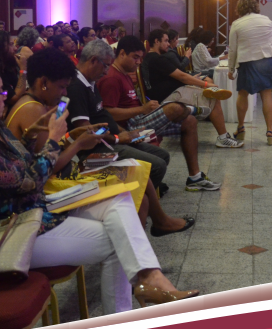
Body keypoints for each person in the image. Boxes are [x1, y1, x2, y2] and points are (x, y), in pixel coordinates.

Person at [0, 62, 198, 314]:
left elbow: (21, 162)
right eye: (0, 92)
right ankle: (122, 316)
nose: (6, 97)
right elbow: (28, 181)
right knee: (120, 241)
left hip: (31, 212)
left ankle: (150, 278)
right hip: (9, 233)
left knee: (119, 197)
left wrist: (32, 134)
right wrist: (52, 140)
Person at [64, 41, 200, 230]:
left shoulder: (90, 82)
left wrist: (124, 132)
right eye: (105, 65)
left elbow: (103, 117)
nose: (107, 71)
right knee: (156, 165)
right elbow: (86, 133)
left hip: (111, 140)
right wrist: (118, 138)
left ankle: (139, 208)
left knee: (162, 155)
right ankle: (141, 213)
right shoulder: (76, 87)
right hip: (93, 155)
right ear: (94, 60)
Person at [101, 36, 221, 193]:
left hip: (139, 119)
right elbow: (108, 114)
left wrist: (145, 109)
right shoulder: (112, 79)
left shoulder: (124, 74)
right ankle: (194, 109)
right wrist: (142, 109)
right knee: (174, 109)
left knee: (189, 122)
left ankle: (195, 178)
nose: (138, 62)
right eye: (135, 57)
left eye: (140, 58)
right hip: (130, 128)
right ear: (122, 53)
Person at [142, 29, 242, 149]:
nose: (168, 44)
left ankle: (218, 130)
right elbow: (182, 77)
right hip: (168, 97)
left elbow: (172, 78)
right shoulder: (158, 59)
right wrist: (205, 84)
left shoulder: (150, 58)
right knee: (213, 97)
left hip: (169, 93)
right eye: (166, 41)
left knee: (211, 93)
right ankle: (223, 139)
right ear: (156, 41)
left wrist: (194, 80)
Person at [227, 0, 272, 146]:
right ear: (256, 7)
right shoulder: (267, 20)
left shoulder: (237, 24)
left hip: (248, 61)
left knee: (243, 94)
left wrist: (231, 69)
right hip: (268, 60)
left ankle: (241, 128)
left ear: (239, 9)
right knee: (267, 94)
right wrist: (271, 53)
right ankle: (270, 132)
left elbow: (232, 49)